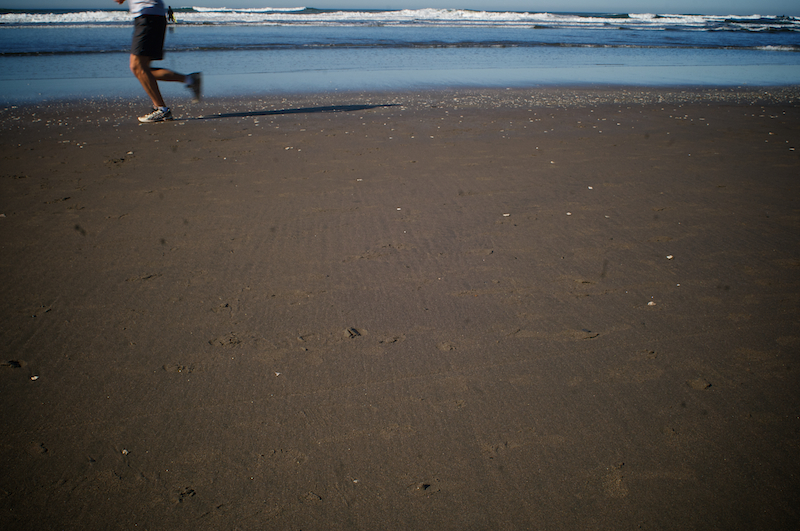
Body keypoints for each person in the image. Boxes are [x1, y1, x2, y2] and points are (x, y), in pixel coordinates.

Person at [115, 0, 201, 123]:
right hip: (149, 16)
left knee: (137, 67)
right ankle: (190, 80)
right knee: (143, 69)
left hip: (148, 16)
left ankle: (162, 110)